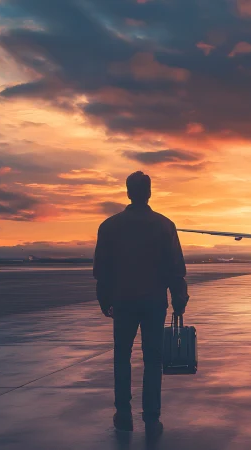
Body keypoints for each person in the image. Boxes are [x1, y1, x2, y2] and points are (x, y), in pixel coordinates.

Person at [93, 171, 189, 437]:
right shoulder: (164, 225)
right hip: (154, 301)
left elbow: (102, 268)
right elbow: (175, 267)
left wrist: (105, 298)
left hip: (122, 300)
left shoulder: (109, 226)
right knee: (153, 360)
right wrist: (179, 299)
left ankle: (123, 414)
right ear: (149, 193)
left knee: (121, 357)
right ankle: (152, 417)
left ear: (128, 192)